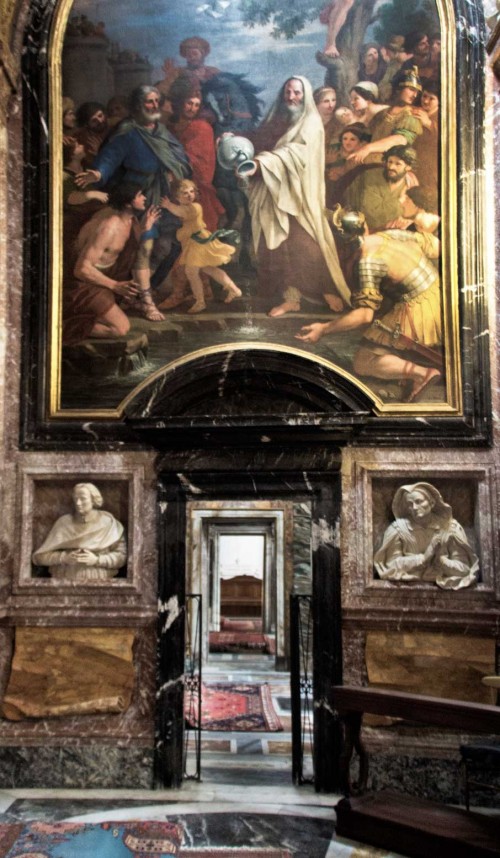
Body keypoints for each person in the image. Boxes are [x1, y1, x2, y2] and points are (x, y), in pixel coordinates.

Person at [296, 209, 443, 403]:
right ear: (364, 226)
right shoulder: (391, 235)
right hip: (439, 293)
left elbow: (364, 315)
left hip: (420, 307)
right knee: (377, 330)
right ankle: (405, 371)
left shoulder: (368, 261)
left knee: (363, 361)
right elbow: (436, 248)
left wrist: (324, 329)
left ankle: (421, 374)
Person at [75, 85, 192, 311]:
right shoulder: (128, 130)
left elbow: (181, 159)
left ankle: (144, 290)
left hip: (161, 192)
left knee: (174, 245)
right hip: (136, 194)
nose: (154, 105)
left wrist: (175, 171)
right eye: (149, 101)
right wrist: (98, 173)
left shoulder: (162, 132)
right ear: (138, 105)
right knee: (144, 246)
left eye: (157, 101)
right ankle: (142, 299)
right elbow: (109, 157)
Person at [245, 76, 350, 316]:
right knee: (278, 247)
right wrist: (234, 138)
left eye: (297, 93)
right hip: (277, 190)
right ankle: (290, 298)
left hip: (300, 193)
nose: (292, 97)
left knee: (307, 244)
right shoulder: (280, 118)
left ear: (305, 95)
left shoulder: (311, 122)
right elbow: (260, 136)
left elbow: (297, 153)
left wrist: (262, 163)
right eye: (288, 92)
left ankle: (325, 289)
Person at [63, 183, 160, 344]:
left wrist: (145, 228)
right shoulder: (108, 228)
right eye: (140, 195)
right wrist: (115, 285)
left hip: (100, 283)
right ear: (128, 202)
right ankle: (60, 327)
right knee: (120, 329)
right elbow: (81, 269)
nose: (144, 198)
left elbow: (127, 244)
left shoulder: (130, 219)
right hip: (82, 286)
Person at [374, 482, 478, 590]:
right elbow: (390, 566)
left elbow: (465, 569)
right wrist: (422, 558)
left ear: (432, 503)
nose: (414, 507)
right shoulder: (398, 529)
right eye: (409, 504)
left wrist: (441, 561)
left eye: (419, 502)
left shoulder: (450, 529)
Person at [160, 178, 241, 314]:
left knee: (191, 272)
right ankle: (233, 289)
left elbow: (182, 212)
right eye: (185, 193)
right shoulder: (184, 207)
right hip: (193, 243)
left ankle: (200, 302)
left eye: (192, 191)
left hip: (198, 243)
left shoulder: (195, 207)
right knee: (209, 269)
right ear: (177, 196)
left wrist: (168, 206)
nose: (190, 195)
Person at [32, 483, 127, 582]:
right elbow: (39, 557)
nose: (78, 503)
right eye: (75, 498)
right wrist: (64, 558)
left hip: (100, 579)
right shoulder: (64, 523)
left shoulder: (109, 524)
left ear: (93, 499)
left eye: (83, 498)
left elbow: (122, 557)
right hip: (65, 579)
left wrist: (97, 560)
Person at [168, 81, 224, 231]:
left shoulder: (202, 127)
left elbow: (203, 162)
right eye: (189, 103)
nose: (192, 108)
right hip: (172, 182)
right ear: (180, 103)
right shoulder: (169, 128)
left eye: (196, 105)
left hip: (197, 185)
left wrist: (176, 159)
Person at [346, 67, 423, 166]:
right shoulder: (383, 113)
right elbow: (367, 137)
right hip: (368, 161)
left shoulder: (411, 116)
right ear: (398, 89)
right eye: (412, 90)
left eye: (417, 92)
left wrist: (368, 148)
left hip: (391, 165)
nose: (415, 95)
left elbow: (399, 140)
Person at [344, 144, 418, 232]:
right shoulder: (371, 177)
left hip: (389, 231)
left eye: (398, 164)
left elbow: (413, 211)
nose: (391, 167)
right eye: (390, 162)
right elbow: (371, 217)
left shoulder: (411, 182)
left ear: (408, 167)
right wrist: (400, 202)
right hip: (356, 226)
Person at [74, 101, 110, 168]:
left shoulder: (113, 128)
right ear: (86, 125)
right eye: (94, 120)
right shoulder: (85, 139)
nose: (100, 121)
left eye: (100, 116)